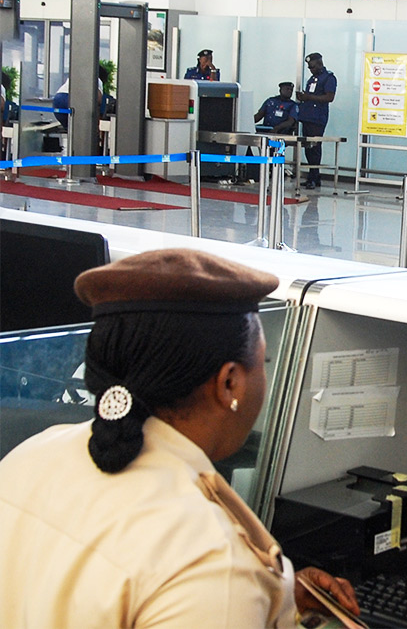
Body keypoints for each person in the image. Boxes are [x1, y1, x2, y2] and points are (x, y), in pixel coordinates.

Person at [0, 248, 361, 627]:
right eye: (263, 363)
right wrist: (239, 595)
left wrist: (271, 596)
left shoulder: (29, 457)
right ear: (229, 383)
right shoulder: (211, 565)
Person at [295, 52, 337, 189]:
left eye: (312, 67)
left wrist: (309, 97)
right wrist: (304, 97)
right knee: (308, 147)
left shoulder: (329, 78)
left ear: (319, 63)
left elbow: (329, 97)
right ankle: (314, 176)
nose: (310, 70)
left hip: (317, 118)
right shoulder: (313, 79)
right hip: (307, 116)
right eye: (309, 67)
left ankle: (313, 177)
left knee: (315, 148)